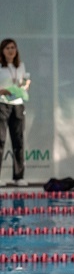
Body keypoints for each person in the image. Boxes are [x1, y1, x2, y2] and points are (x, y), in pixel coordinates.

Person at [0, 39, 30, 187]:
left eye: (13, 48)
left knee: (18, 141)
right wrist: (6, 91)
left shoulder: (21, 66)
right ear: (2, 51)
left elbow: (23, 84)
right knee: (0, 140)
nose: (11, 51)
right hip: (2, 104)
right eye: (7, 48)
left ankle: (18, 177)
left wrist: (25, 86)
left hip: (18, 105)